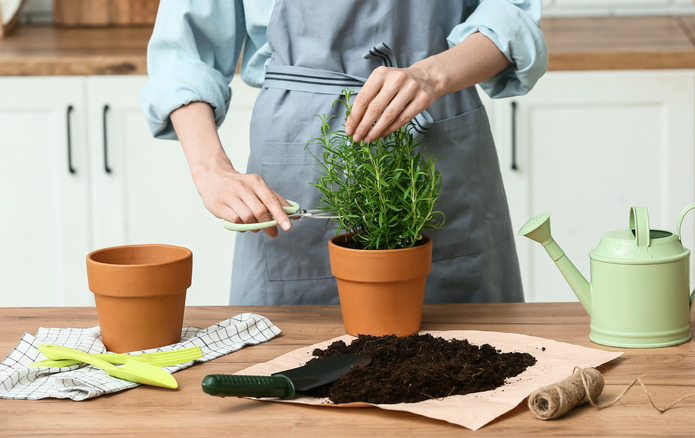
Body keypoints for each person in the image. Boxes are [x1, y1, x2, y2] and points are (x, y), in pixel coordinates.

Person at [141, 1, 548, 305]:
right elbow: (184, 51)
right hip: (298, 153)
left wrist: (430, 75)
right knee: (284, 377)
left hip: (440, 131)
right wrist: (210, 169)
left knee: (476, 368)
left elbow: (510, 13)